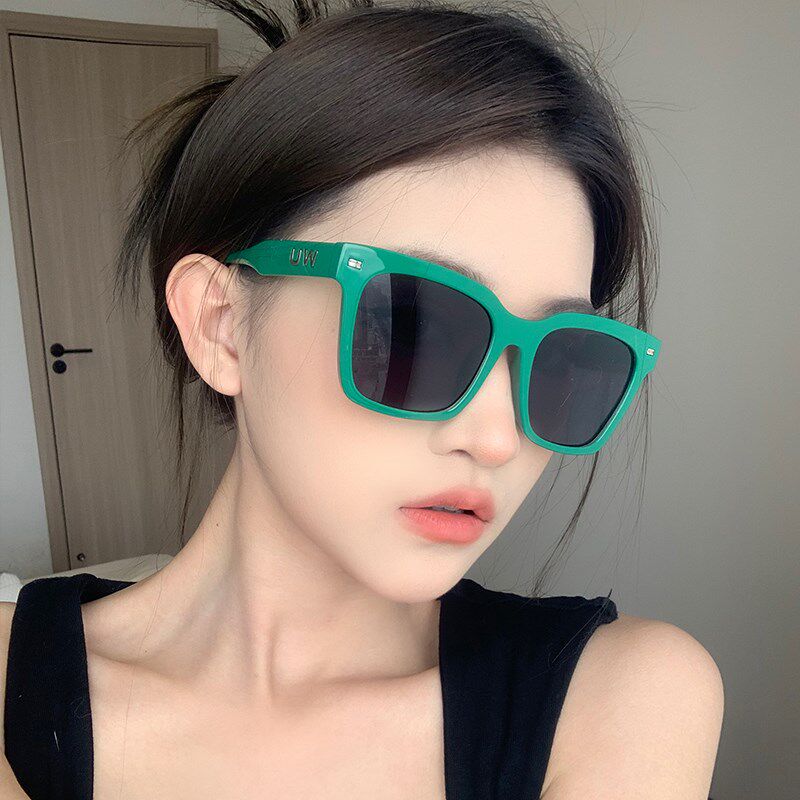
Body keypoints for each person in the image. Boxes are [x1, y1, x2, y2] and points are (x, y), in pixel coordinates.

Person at [1, 1, 724, 797]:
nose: (497, 437)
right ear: (220, 325)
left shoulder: (622, 701)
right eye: (414, 328)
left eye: (561, 359)